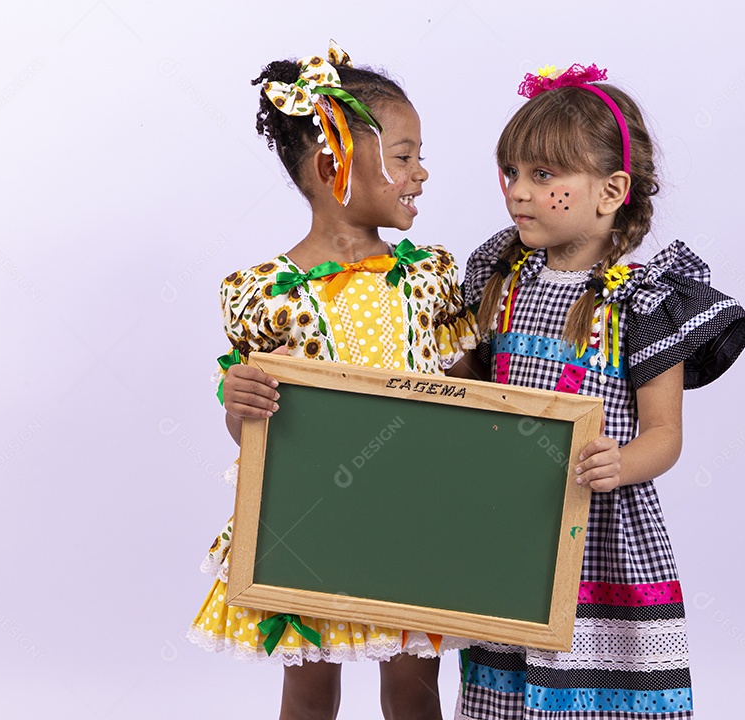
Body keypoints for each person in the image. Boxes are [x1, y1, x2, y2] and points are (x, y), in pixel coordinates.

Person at [455, 64, 745, 719]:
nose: (518, 192)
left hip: (600, 534)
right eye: (511, 172)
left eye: (543, 175)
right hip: (511, 523)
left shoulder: (643, 301)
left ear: (611, 190)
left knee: (593, 692)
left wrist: (620, 462)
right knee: (506, 685)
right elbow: (468, 388)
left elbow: (665, 435)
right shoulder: (500, 283)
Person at [186, 42, 477, 720]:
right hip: (312, 520)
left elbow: (470, 391)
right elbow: (253, 427)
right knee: (309, 691)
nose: (421, 172)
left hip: (415, 515)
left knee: (414, 690)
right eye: (404, 156)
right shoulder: (267, 294)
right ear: (331, 166)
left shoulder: (427, 277)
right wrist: (239, 402)